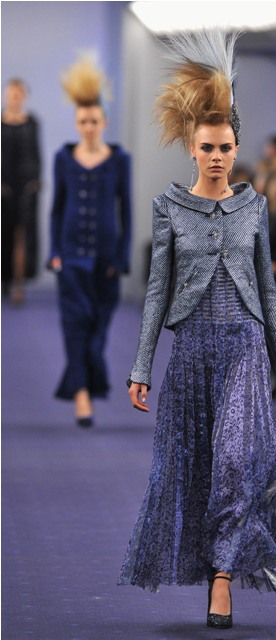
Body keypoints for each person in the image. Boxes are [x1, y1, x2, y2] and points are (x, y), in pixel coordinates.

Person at [118, 30, 276, 630]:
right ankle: (214, 565)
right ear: (191, 149)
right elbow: (156, 294)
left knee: (236, 460)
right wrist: (141, 367)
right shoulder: (170, 209)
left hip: (245, 347)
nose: (217, 157)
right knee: (195, 469)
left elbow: (267, 292)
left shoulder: (255, 208)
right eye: (207, 147)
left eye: (225, 147)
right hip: (192, 352)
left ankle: (223, 578)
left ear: (236, 147)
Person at [47, 58, 132, 427]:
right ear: (76, 123)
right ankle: (82, 396)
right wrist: (54, 252)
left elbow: (126, 210)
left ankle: (86, 382)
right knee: (74, 325)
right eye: (83, 122)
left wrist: (122, 256)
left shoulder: (119, 160)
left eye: (95, 121)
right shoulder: (64, 159)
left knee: (97, 331)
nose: (89, 127)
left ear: (104, 123)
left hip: (106, 260)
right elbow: (56, 208)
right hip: (70, 257)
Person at [1, 78, 41, 305]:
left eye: (19, 93)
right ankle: (4, 280)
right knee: (3, 235)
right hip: (3, 184)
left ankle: (19, 284)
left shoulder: (32, 123)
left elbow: (36, 152)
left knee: (22, 236)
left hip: (26, 186)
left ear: (24, 96)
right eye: (12, 93)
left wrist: (36, 180)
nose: (15, 97)